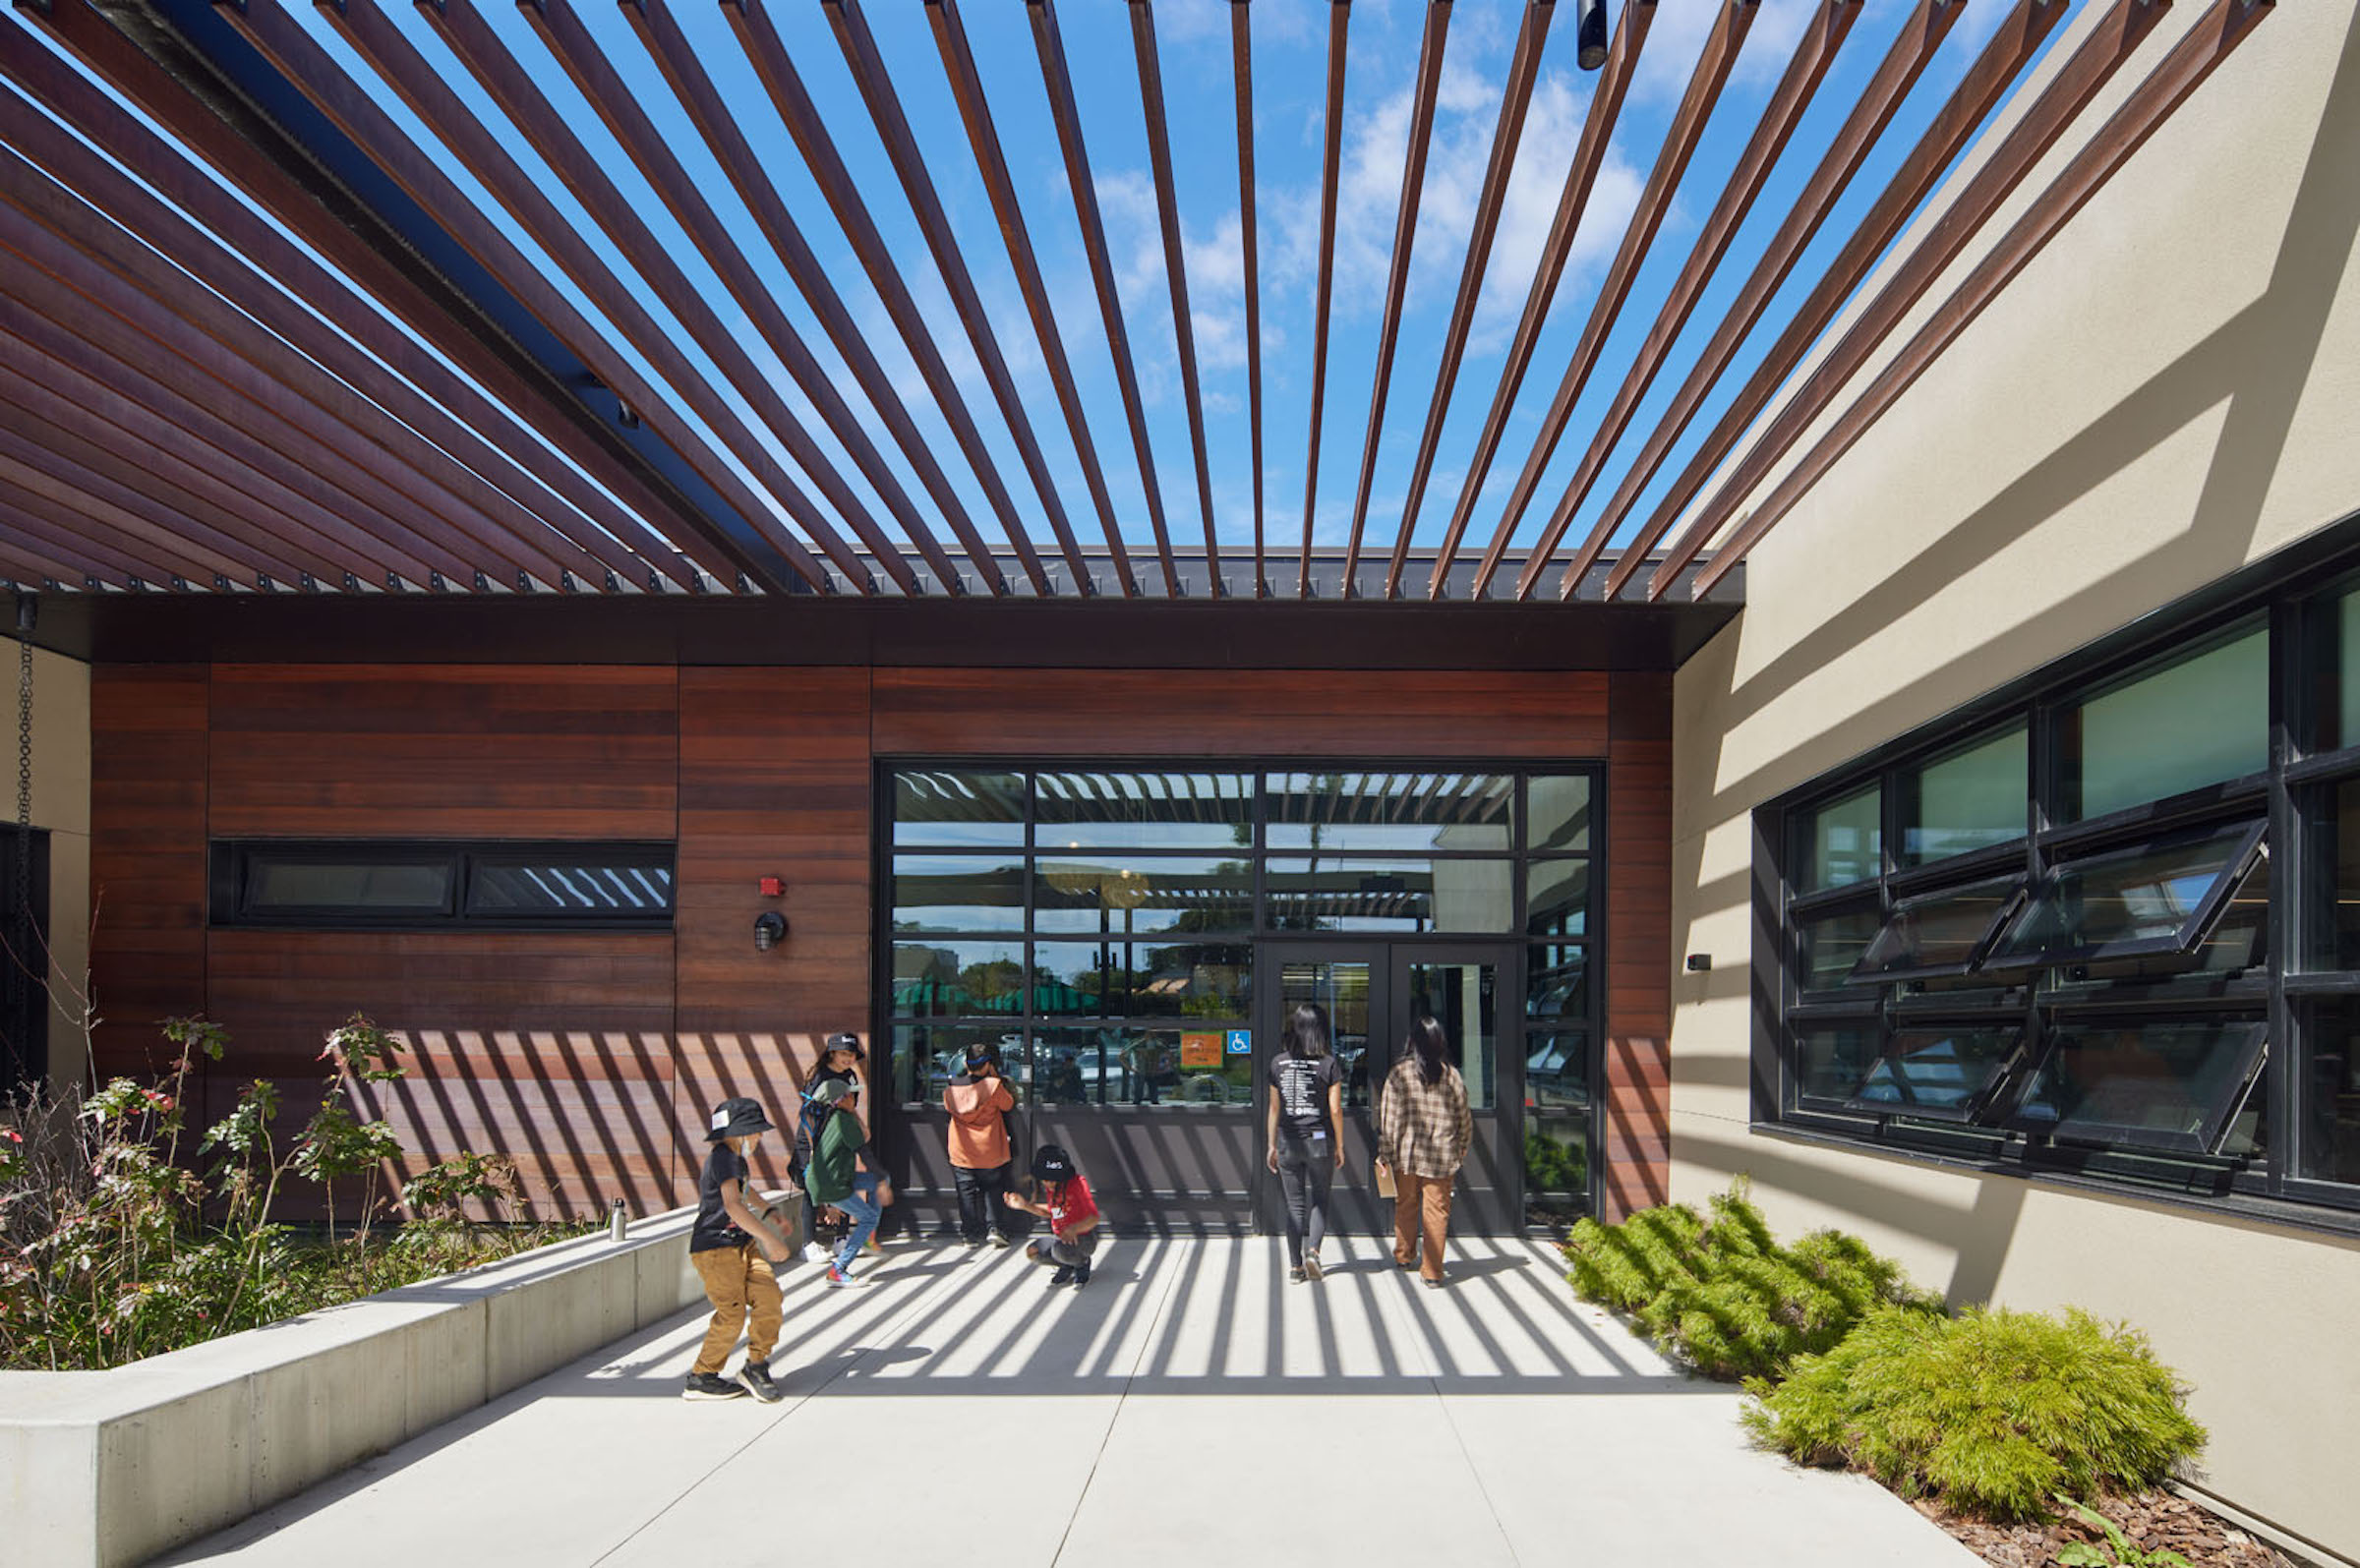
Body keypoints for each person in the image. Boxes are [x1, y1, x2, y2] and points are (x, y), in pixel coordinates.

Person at [684, 1096, 792, 1401]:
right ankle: (702, 1377)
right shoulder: (723, 1157)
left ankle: (755, 1366)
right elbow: (732, 1205)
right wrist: (770, 1239)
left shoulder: (735, 1160)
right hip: (715, 1249)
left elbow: (743, 1191)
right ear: (739, 1133)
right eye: (756, 1131)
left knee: (769, 1297)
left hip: (741, 1245)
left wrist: (768, 1210)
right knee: (731, 1314)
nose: (759, 1137)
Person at [1376, 1014, 1473, 1288]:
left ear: (1413, 1041)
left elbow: (1389, 1119)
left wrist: (1385, 1153)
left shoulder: (1399, 1074)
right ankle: (1432, 1272)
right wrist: (1463, 1145)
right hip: (1441, 1158)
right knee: (1436, 1212)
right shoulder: (1451, 1075)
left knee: (1405, 1205)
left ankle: (1404, 1255)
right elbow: (1463, 1116)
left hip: (1406, 1155)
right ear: (1438, 1041)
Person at [1266, 1002, 1344, 1283]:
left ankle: (1296, 1268)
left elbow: (1274, 1108)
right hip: (1320, 1141)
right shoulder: (1329, 1063)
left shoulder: (1278, 1063)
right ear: (1321, 1029)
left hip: (1288, 1141)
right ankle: (1313, 1252)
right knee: (1320, 1199)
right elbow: (1335, 1109)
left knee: (1294, 1205)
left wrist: (1271, 1145)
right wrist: (1341, 1145)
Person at [803, 1075, 892, 1288]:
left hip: (835, 1178)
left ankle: (868, 1238)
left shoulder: (838, 1117)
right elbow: (865, 1153)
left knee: (879, 1180)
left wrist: (880, 1181)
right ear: (839, 1100)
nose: (855, 1097)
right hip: (832, 1184)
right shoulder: (843, 1120)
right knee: (869, 1216)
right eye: (850, 1095)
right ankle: (838, 1270)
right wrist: (830, 1202)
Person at [796, 1032, 864, 1264]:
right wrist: (815, 1148)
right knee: (813, 1186)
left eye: (851, 1054)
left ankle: (841, 1238)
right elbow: (807, 1115)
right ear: (832, 1053)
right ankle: (808, 1244)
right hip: (814, 1139)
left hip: (839, 1137)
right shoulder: (819, 1076)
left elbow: (851, 1107)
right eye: (844, 1054)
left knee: (844, 1182)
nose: (848, 1059)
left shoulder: (851, 1077)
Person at [944, 1040, 1019, 1249]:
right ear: (987, 1064)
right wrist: (995, 1076)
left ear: (966, 1064)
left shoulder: (952, 1087)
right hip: (989, 1149)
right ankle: (996, 1230)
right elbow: (1008, 1104)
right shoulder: (992, 1086)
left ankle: (969, 1234)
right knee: (993, 1191)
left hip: (961, 1150)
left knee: (966, 1193)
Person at [1002, 1143, 1099, 1287]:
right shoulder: (1051, 1189)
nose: (1048, 1183)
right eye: (1045, 1179)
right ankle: (1068, 1265)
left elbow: (1093, 1217)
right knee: (1033, 1252)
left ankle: (1082, 1263)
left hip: (1083, 1237)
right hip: (1062, 1237)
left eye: (1053, 1179)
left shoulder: (1078, 1183)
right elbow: (1053, 1212)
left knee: (1061, 1250)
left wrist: (1074, 1229)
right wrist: (1025, 1206)